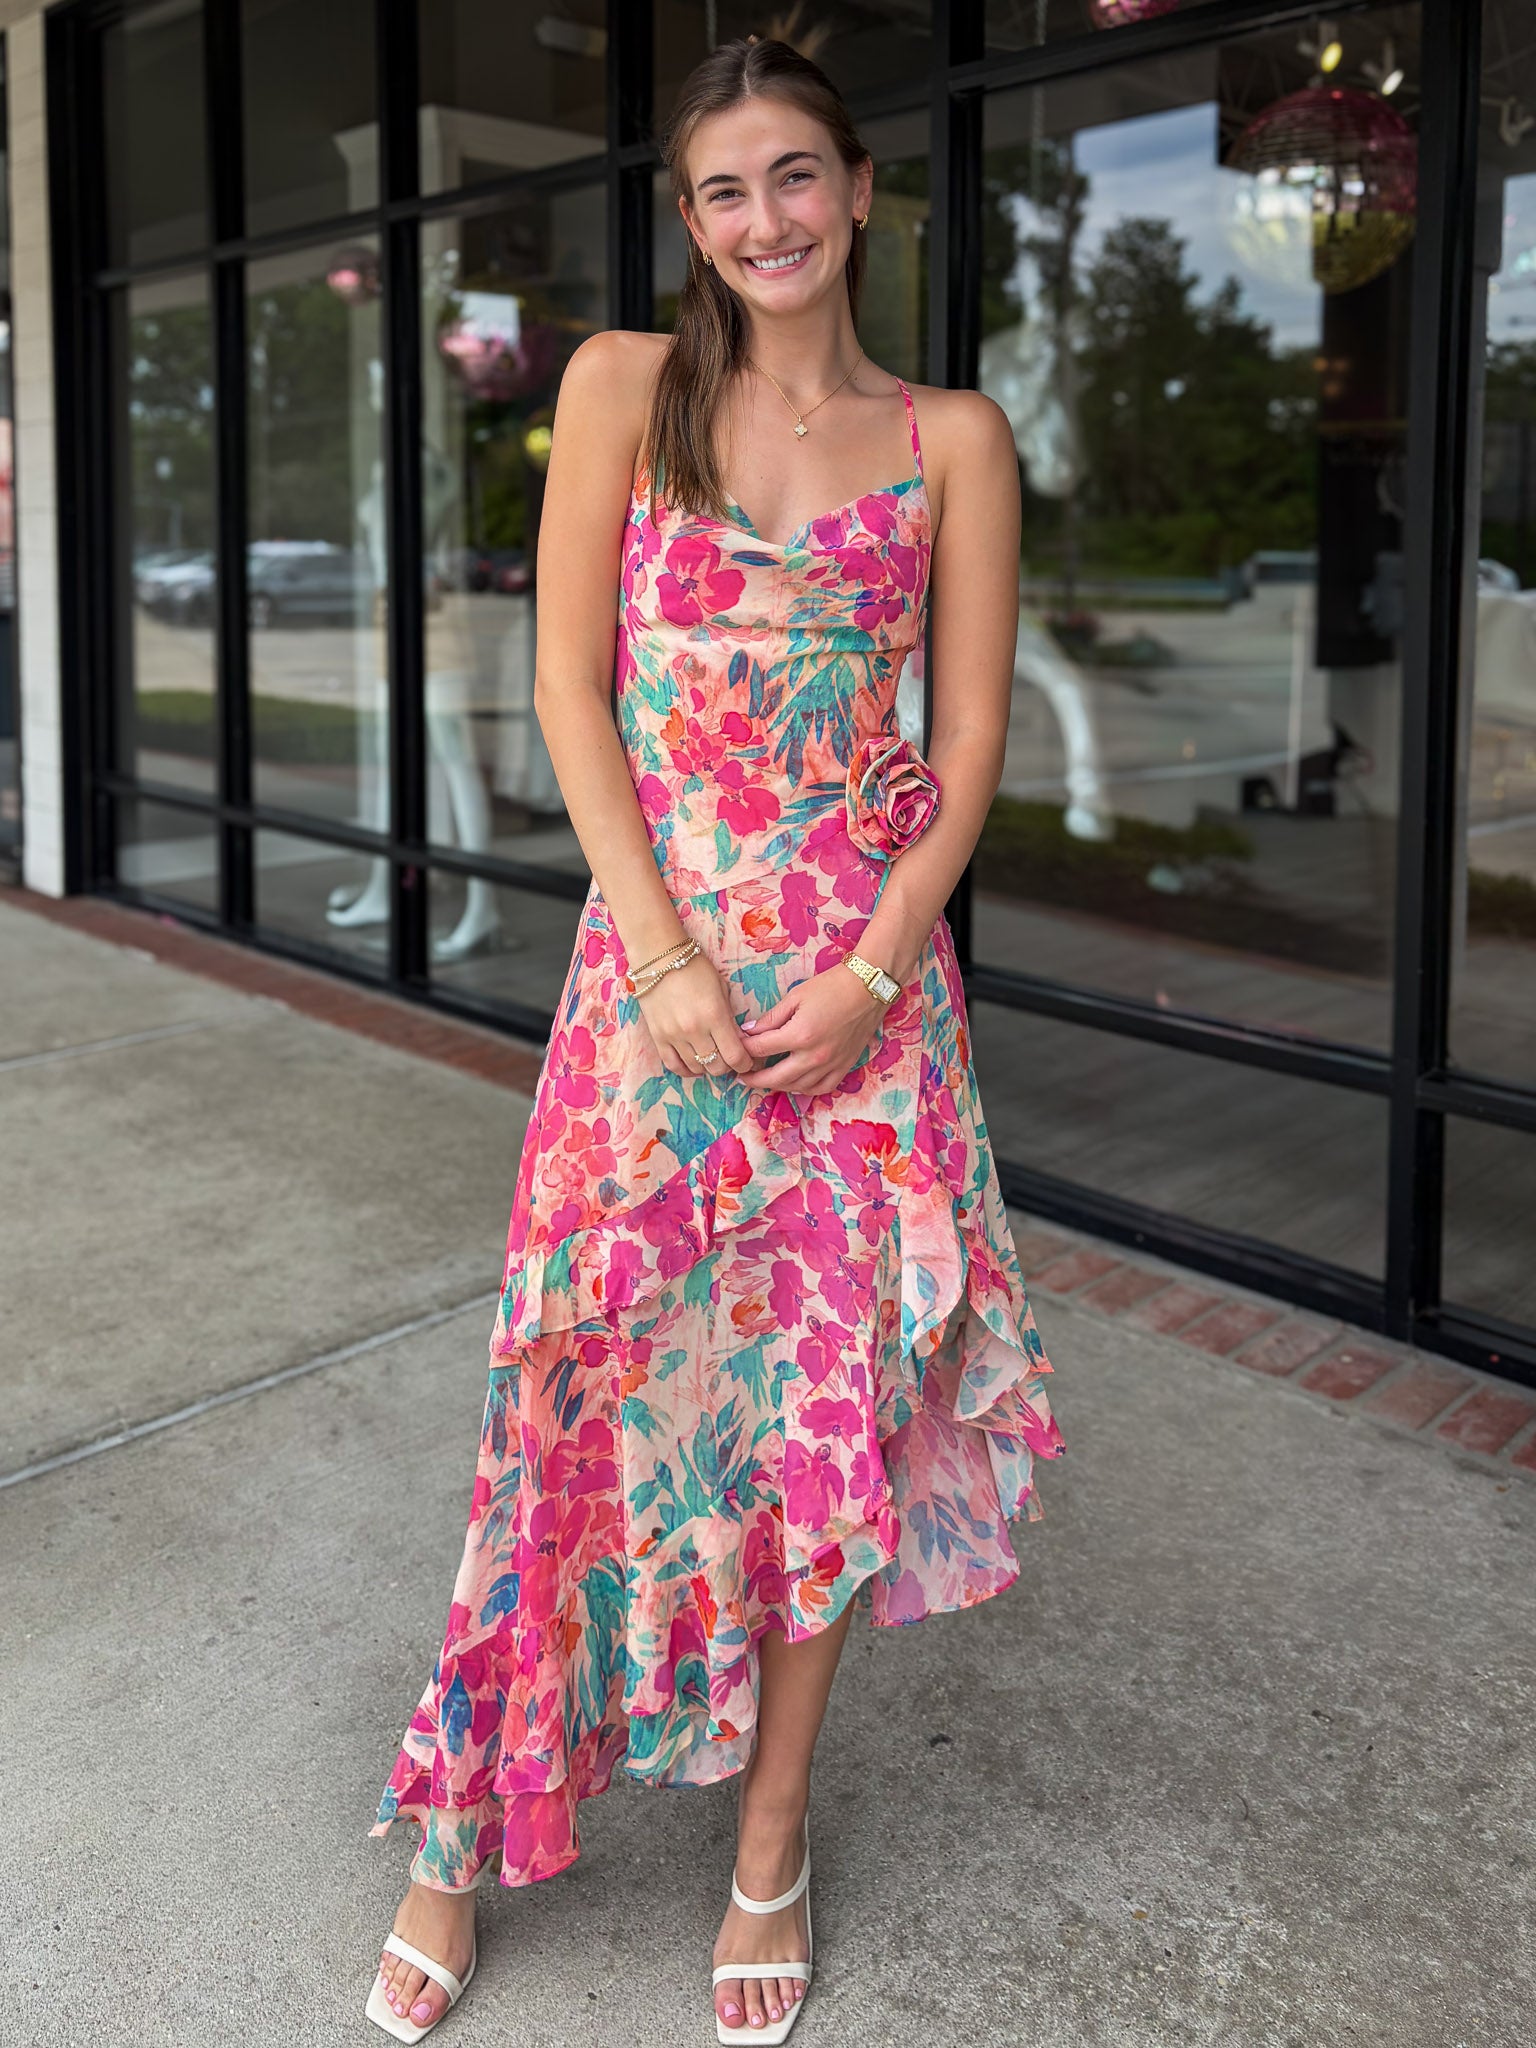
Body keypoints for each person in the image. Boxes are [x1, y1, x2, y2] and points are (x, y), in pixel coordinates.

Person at [367, 32, 1066, 2046]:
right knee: (570, 1403)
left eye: (793, 178)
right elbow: (571, 695)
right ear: (691, 221)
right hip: (652, 1002)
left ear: (857, 194)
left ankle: (771, 1837)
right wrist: (664, 956)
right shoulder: (618, 391)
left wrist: (870, 972)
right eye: (721, 190)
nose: (763, 219)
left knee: (821, 1429)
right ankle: (457, 1828)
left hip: (866, 1018)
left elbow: (970, 745)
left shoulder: (955, 440)